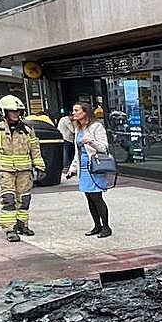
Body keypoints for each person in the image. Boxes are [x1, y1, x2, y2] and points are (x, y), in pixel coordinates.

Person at [0, 96, 46, 243]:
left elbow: (35, 149)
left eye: (18, 111)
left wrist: (40, 166)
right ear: (4, 111)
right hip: (4, 171)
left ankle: (22, 225)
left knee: (25, 199)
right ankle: (10, 229)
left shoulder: (27, 128)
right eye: (12, 111)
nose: (16, 114)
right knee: (8, 200)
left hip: (24, 170)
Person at [63, 100, 113, 238]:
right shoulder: (78, 129)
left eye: (77, 110)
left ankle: (106, 227)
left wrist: (91, 142)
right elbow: (77, 152)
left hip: (95, 166)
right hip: (83, 167)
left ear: (85, 112)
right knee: (89, 198)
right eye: (73, 111)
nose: (73, 113)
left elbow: (104, 148)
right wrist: (72, 169)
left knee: (97, 197)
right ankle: (97, 226)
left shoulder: (96, 127)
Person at [57, 112, 74, 177]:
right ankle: (66, 167)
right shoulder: (67, 120)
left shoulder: (62, 119)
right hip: (66, 138)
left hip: (63, 138)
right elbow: (73, 130)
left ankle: (66, 166)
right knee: (66, 153)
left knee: (66, 152)